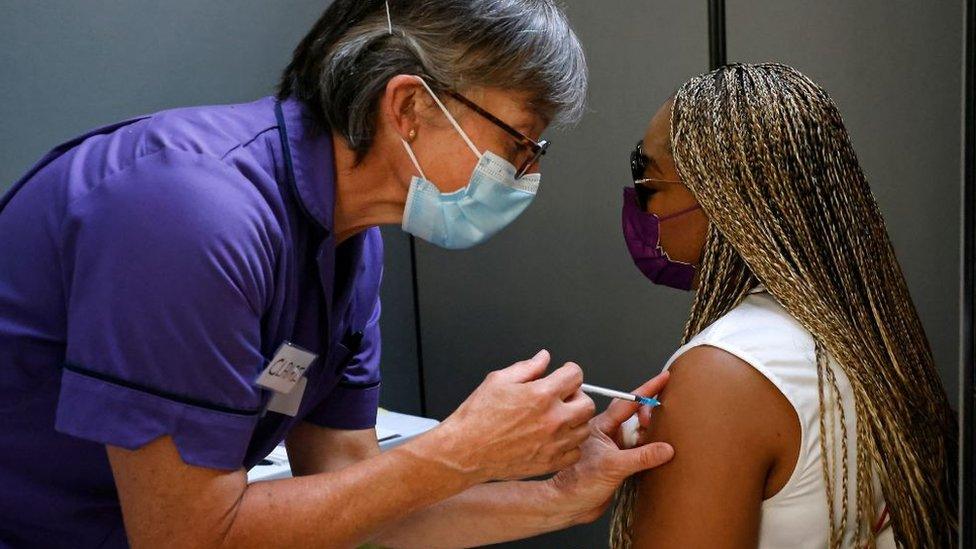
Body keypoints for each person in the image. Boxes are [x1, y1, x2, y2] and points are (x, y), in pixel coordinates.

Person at [0, 1, 675, 546]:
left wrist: (557, 498)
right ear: (409, 107)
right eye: (520, 143)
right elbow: (190, 537)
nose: (527, 175)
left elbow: (356, 496)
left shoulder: (349, 244)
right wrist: (462, 449)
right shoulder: (188, 215)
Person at [608, 63, 956, 548]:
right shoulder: (871, 338)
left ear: (723, 198)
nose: (644, 209)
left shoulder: (721, 375)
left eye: (649, 185)